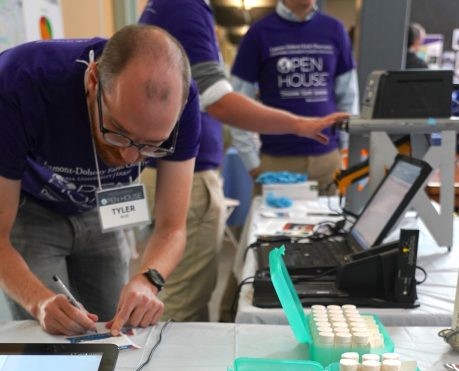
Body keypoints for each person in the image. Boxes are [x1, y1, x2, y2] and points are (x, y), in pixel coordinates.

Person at [138, 0, 349, 322]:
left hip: (180, 167)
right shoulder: (185, 7)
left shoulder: (174, 7)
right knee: (184, 299)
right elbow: (218, 99)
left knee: (180, 290)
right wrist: (299, 125)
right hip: (185, 172)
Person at [0, 24, 200, 335]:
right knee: (49, 333)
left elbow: (172, 226)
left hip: (101, 206)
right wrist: (39, 302)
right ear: (93, 81)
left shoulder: (181, 102)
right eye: (119, 133)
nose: (130, 158)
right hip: (29, 209)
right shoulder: (19, 84)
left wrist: (149, 279)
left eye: (152, 144)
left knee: (115, 329)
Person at [230, 0, 359, 195]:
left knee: (335, 224)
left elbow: (348, 96)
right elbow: (238, 104)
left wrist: (346, 150)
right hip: (277, 162)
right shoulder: (259, 33)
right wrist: (252, 162)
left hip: (328, 161)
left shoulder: (335, 30)